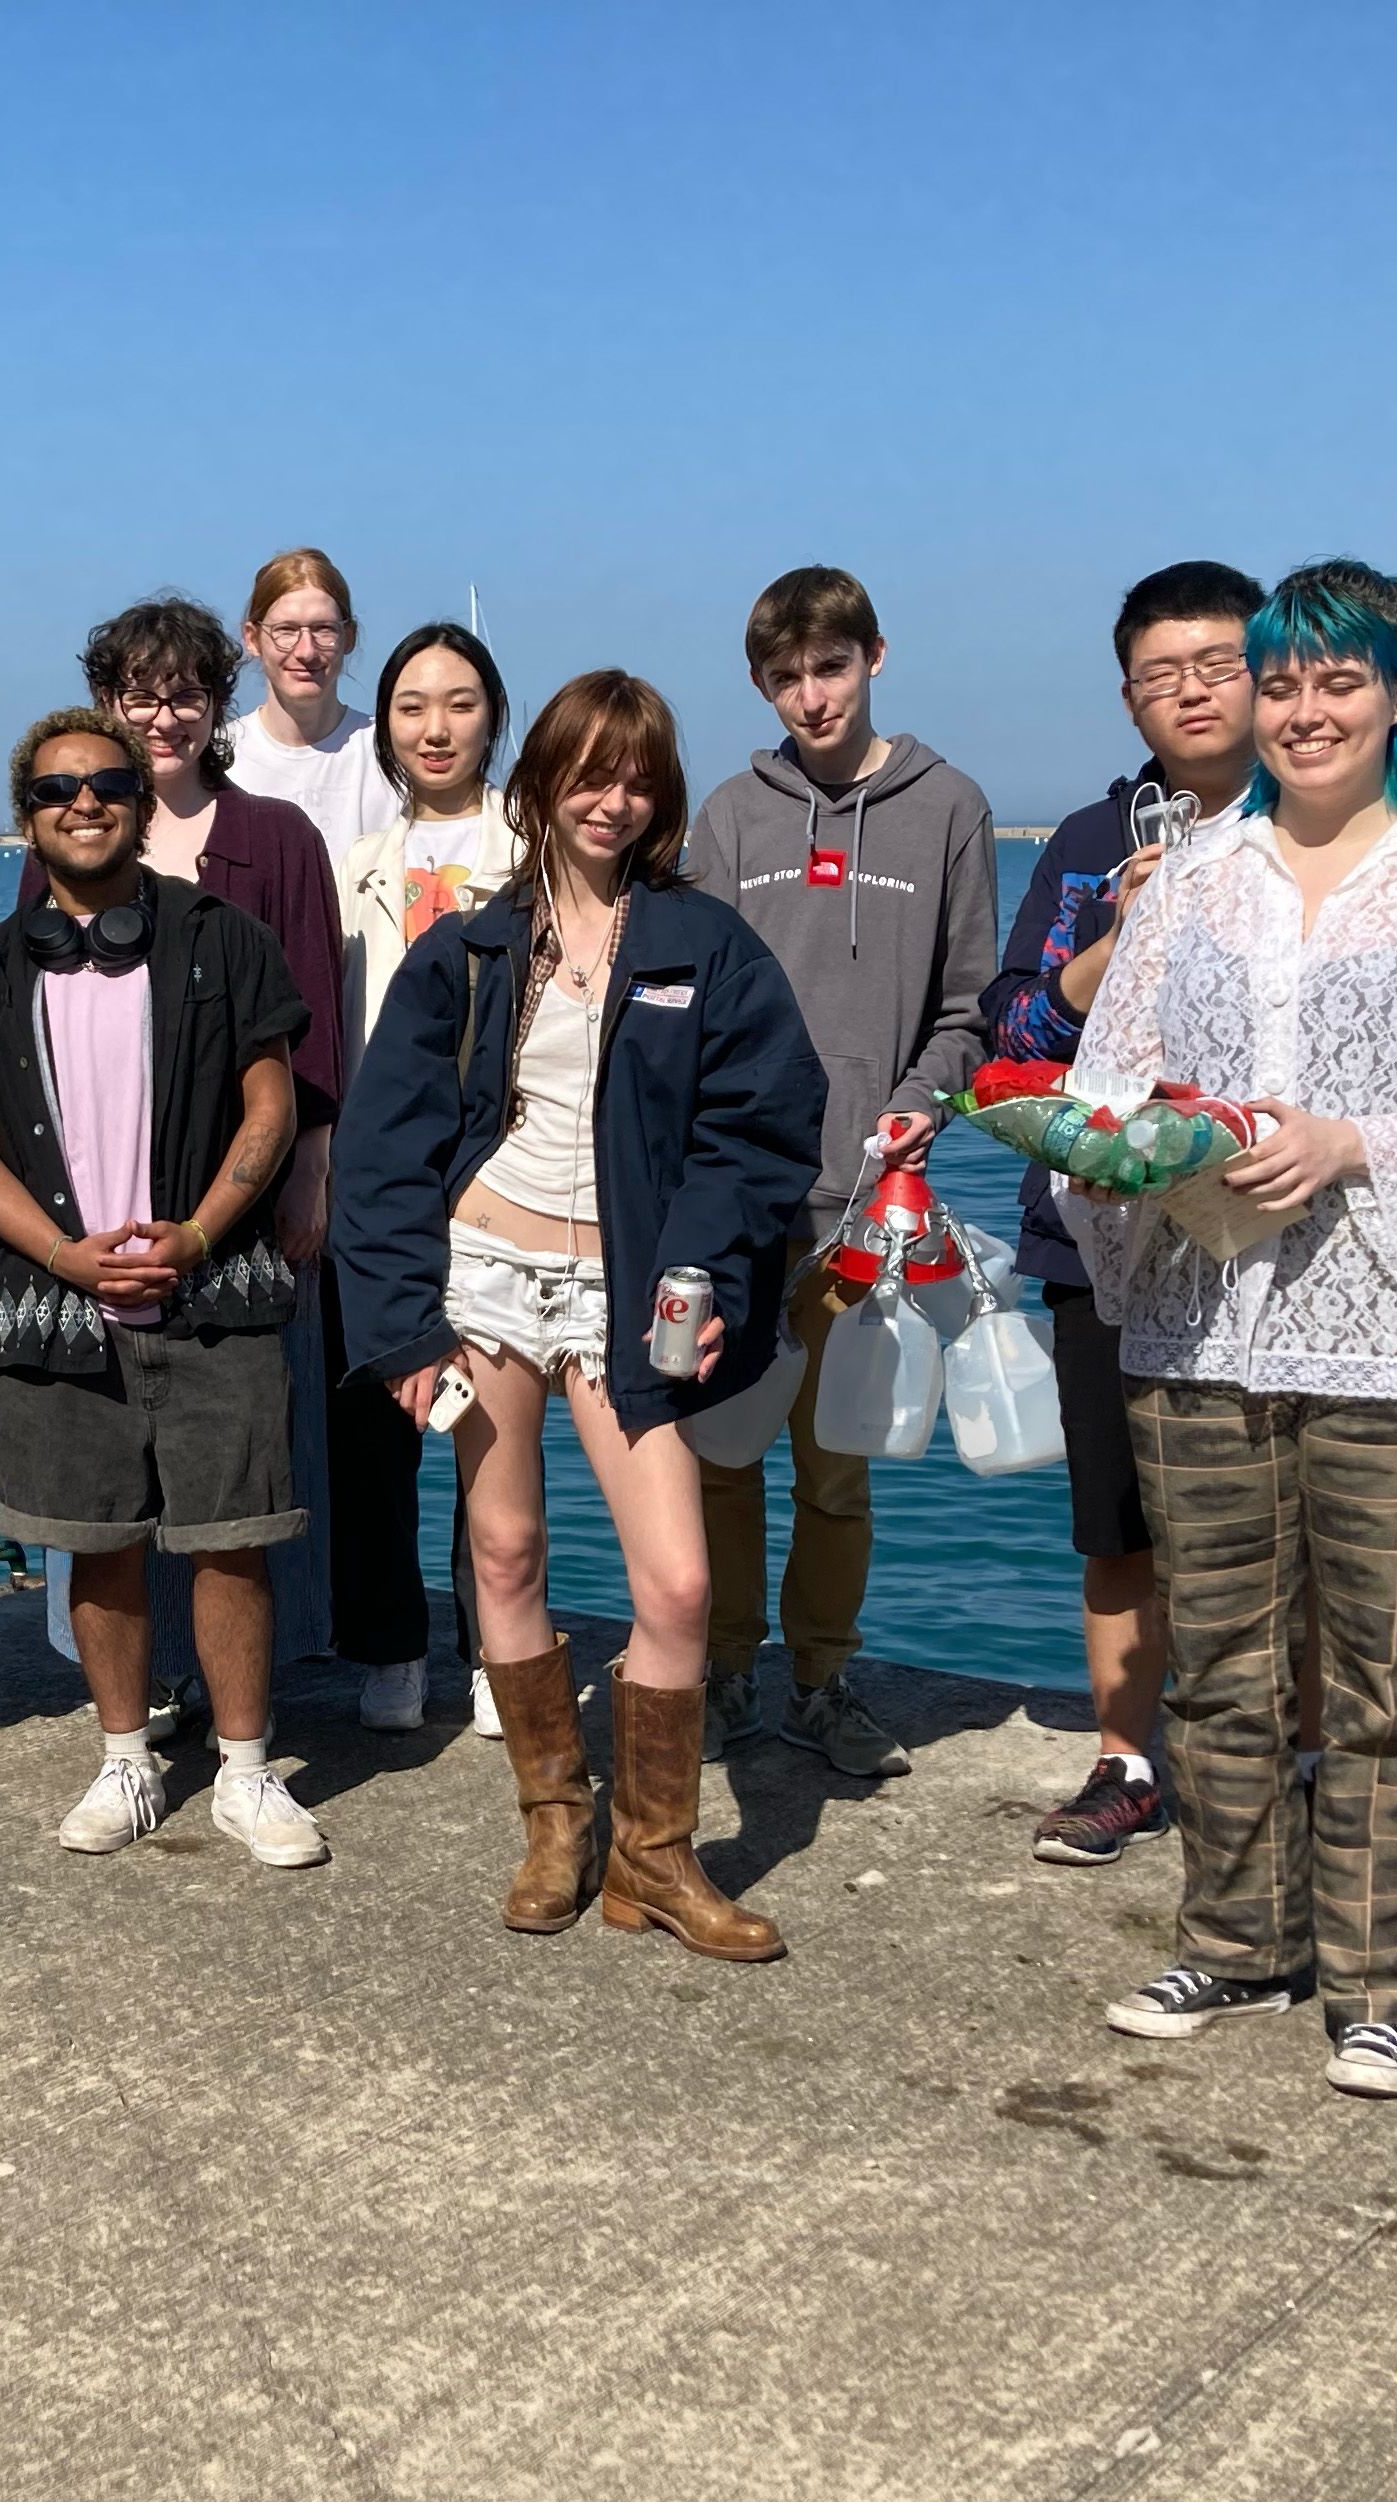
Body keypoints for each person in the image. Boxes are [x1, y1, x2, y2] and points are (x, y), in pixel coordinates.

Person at [1061, 560, 1397, 2100]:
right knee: (1218, 1662)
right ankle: (1237, 1937)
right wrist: (1137, 1145)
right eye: (1281, 684)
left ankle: (1380, 1972)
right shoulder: (1196, 880)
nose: (1302, 711)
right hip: (1203, 1325)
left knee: (1385, 1669)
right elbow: (1108, 1079)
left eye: (1338, 682)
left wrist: (1352, 1142)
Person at [335, 670, 826, 1956]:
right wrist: (400, 1328)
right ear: (539, 785)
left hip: (629, 1291)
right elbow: (385, 1150)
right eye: (588, 774)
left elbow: (762, 1130)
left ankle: (656, 1860)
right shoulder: (469, 953)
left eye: (638, 776)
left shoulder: (702, 946)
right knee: (503, 1557)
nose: (613, 800)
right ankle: (557, 1821)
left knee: (676, 1582)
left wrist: (707, 1268)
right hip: (483, 1278)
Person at [0, 711, 327, 1868]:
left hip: (219, 1288)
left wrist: (200, 1234)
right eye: (57, 788)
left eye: (106, 783)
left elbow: (272, 1107)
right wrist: (66, 1257)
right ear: (28, 816)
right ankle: (126, 1759)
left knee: (232, 1539)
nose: (84, 802)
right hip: (54, 1301)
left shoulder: (228, 939)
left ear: (141, 804)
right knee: (94, 1541)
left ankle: (249, 1776)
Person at [687, 566, 997, 1774]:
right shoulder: (733, 815)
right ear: (760, 685)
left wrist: (920, 1105)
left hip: (868, 1210)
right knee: (720, 1462)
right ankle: (722, 1672)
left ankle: (820, 1680)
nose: (810, 698)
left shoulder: (950, 805)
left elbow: (971, 1005)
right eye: (785, 678)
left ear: (875, 657)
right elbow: (690, 999)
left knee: (837, 1471)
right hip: (737, 1202)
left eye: (830, 668)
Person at [982, 561, 1265, 1864]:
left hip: (1273, 1231)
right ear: (1129, 699)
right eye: (1162, 676)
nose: (1192, 693)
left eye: (1217, 664)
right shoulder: (1095, 844)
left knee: (1287, 1519)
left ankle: (1290, 1768)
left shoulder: (1319, 827)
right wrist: (1115, 937)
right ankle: (1126, 1759)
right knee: (1119, 1521)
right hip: (1099, 1233)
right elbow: (1017, 1032)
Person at [76, 593, 349, 1702]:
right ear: (106, 700)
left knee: (252, 1430)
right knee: (119, 1431)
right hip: (106, 1177)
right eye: (139, 693)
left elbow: (315, 1015)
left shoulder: (274, 837)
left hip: (245, 1176)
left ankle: (257, 1667)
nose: (162, 716)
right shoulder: (81, 824)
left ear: (217, 702)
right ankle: (143, 1678)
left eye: (186, 693)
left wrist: (313, 1166)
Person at [332, 621, 518, 1737]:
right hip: (381, 1172)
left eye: (457, 703)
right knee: (378, 1422)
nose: (434, 727)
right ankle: (390, 1644)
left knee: (491, 1425)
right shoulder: (355, 863)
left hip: (504, 1163)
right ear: (384, 726)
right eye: (410, 706)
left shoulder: (533, 850)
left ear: (493, 713)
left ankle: (497, 1647)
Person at [225, 546, 406, 872]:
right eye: (286, 631)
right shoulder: (220, 756)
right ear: (252, 638)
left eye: (324, 630)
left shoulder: (389, 750)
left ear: (348, 637)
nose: (305, 651)